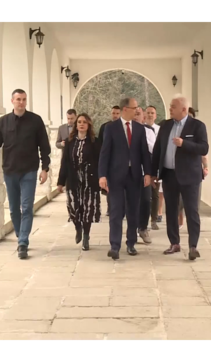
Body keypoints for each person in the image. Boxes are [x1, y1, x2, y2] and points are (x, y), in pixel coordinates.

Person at [0, 88, 51, 260]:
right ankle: (21, 233)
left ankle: (23, 242)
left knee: (27, 207)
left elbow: (44, 146)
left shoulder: (36, 121)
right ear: (12, 101)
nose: (21, 102)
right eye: (18, 99)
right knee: (14, 209)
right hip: (10, 171)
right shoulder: (3, 122)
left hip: (29, 170)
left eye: (24, 99)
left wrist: (45, 168)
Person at [151, 95, 208, 261]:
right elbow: (157, 150)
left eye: (173, 107)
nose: (170, 109)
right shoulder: (165, 125)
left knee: (191, 211)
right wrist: (153, 172)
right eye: (170, 106)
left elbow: (204, 148)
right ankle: (174, 243)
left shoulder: (197, 126)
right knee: (171, 210)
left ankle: (193, 246)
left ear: (183, 109)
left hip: (190, 176)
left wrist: (184, 144)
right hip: (169, 174)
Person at [99, 97, 151, 260]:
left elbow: (144, 153)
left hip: (134, 175)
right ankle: (115, 245)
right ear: (125, 109)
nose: (137, 110)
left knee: (133, 211)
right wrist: (102, 175)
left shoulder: (139, 129)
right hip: (115, 176)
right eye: (135, 108)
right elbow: (105, 152)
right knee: (116, 211)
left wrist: (147, 173)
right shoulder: (111, 128)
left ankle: (131, 243)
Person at [57, 113, 101, 251]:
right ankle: (78, 227)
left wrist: (102, 178)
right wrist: (60, 182)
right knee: (73, 206)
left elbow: (100, 161)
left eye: (84, 122)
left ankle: (86, 236)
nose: (81, 124)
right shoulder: (69, 142)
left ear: (89, 125)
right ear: (76, 125)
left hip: (90, 180)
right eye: (79, 122)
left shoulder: (95, 142)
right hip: (73, 179)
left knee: (88, 208)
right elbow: (65, 162)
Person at [134, 107, 156, 244]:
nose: (135, 116)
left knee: (146, 201)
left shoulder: (148, 131)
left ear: (143, 117)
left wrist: (141, 141)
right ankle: (132, 230)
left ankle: (143, 227)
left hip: (144, 173)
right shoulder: (125, 131)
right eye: (134, 114)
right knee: (131, 203)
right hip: (129, 173)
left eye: (138, 114)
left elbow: (153, 149)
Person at [98, 105, 121, 216]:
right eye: (113, 113)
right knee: (109, 186)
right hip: (109, 161)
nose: (115, 115)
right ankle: (110, 207)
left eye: (117, 113)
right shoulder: (105, 127)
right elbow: (100, 145)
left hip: (120, 161)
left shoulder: (124, 127)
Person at [145, 106, 161, 229]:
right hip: (144, 165)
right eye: (148, 113)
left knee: (155, 194)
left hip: (156, 164)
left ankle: (154, 219)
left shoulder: (160, 130)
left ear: (155, 115)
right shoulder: (141, 129)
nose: (150, 115)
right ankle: (143, 220)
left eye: (152, 113)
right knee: (145, 195)